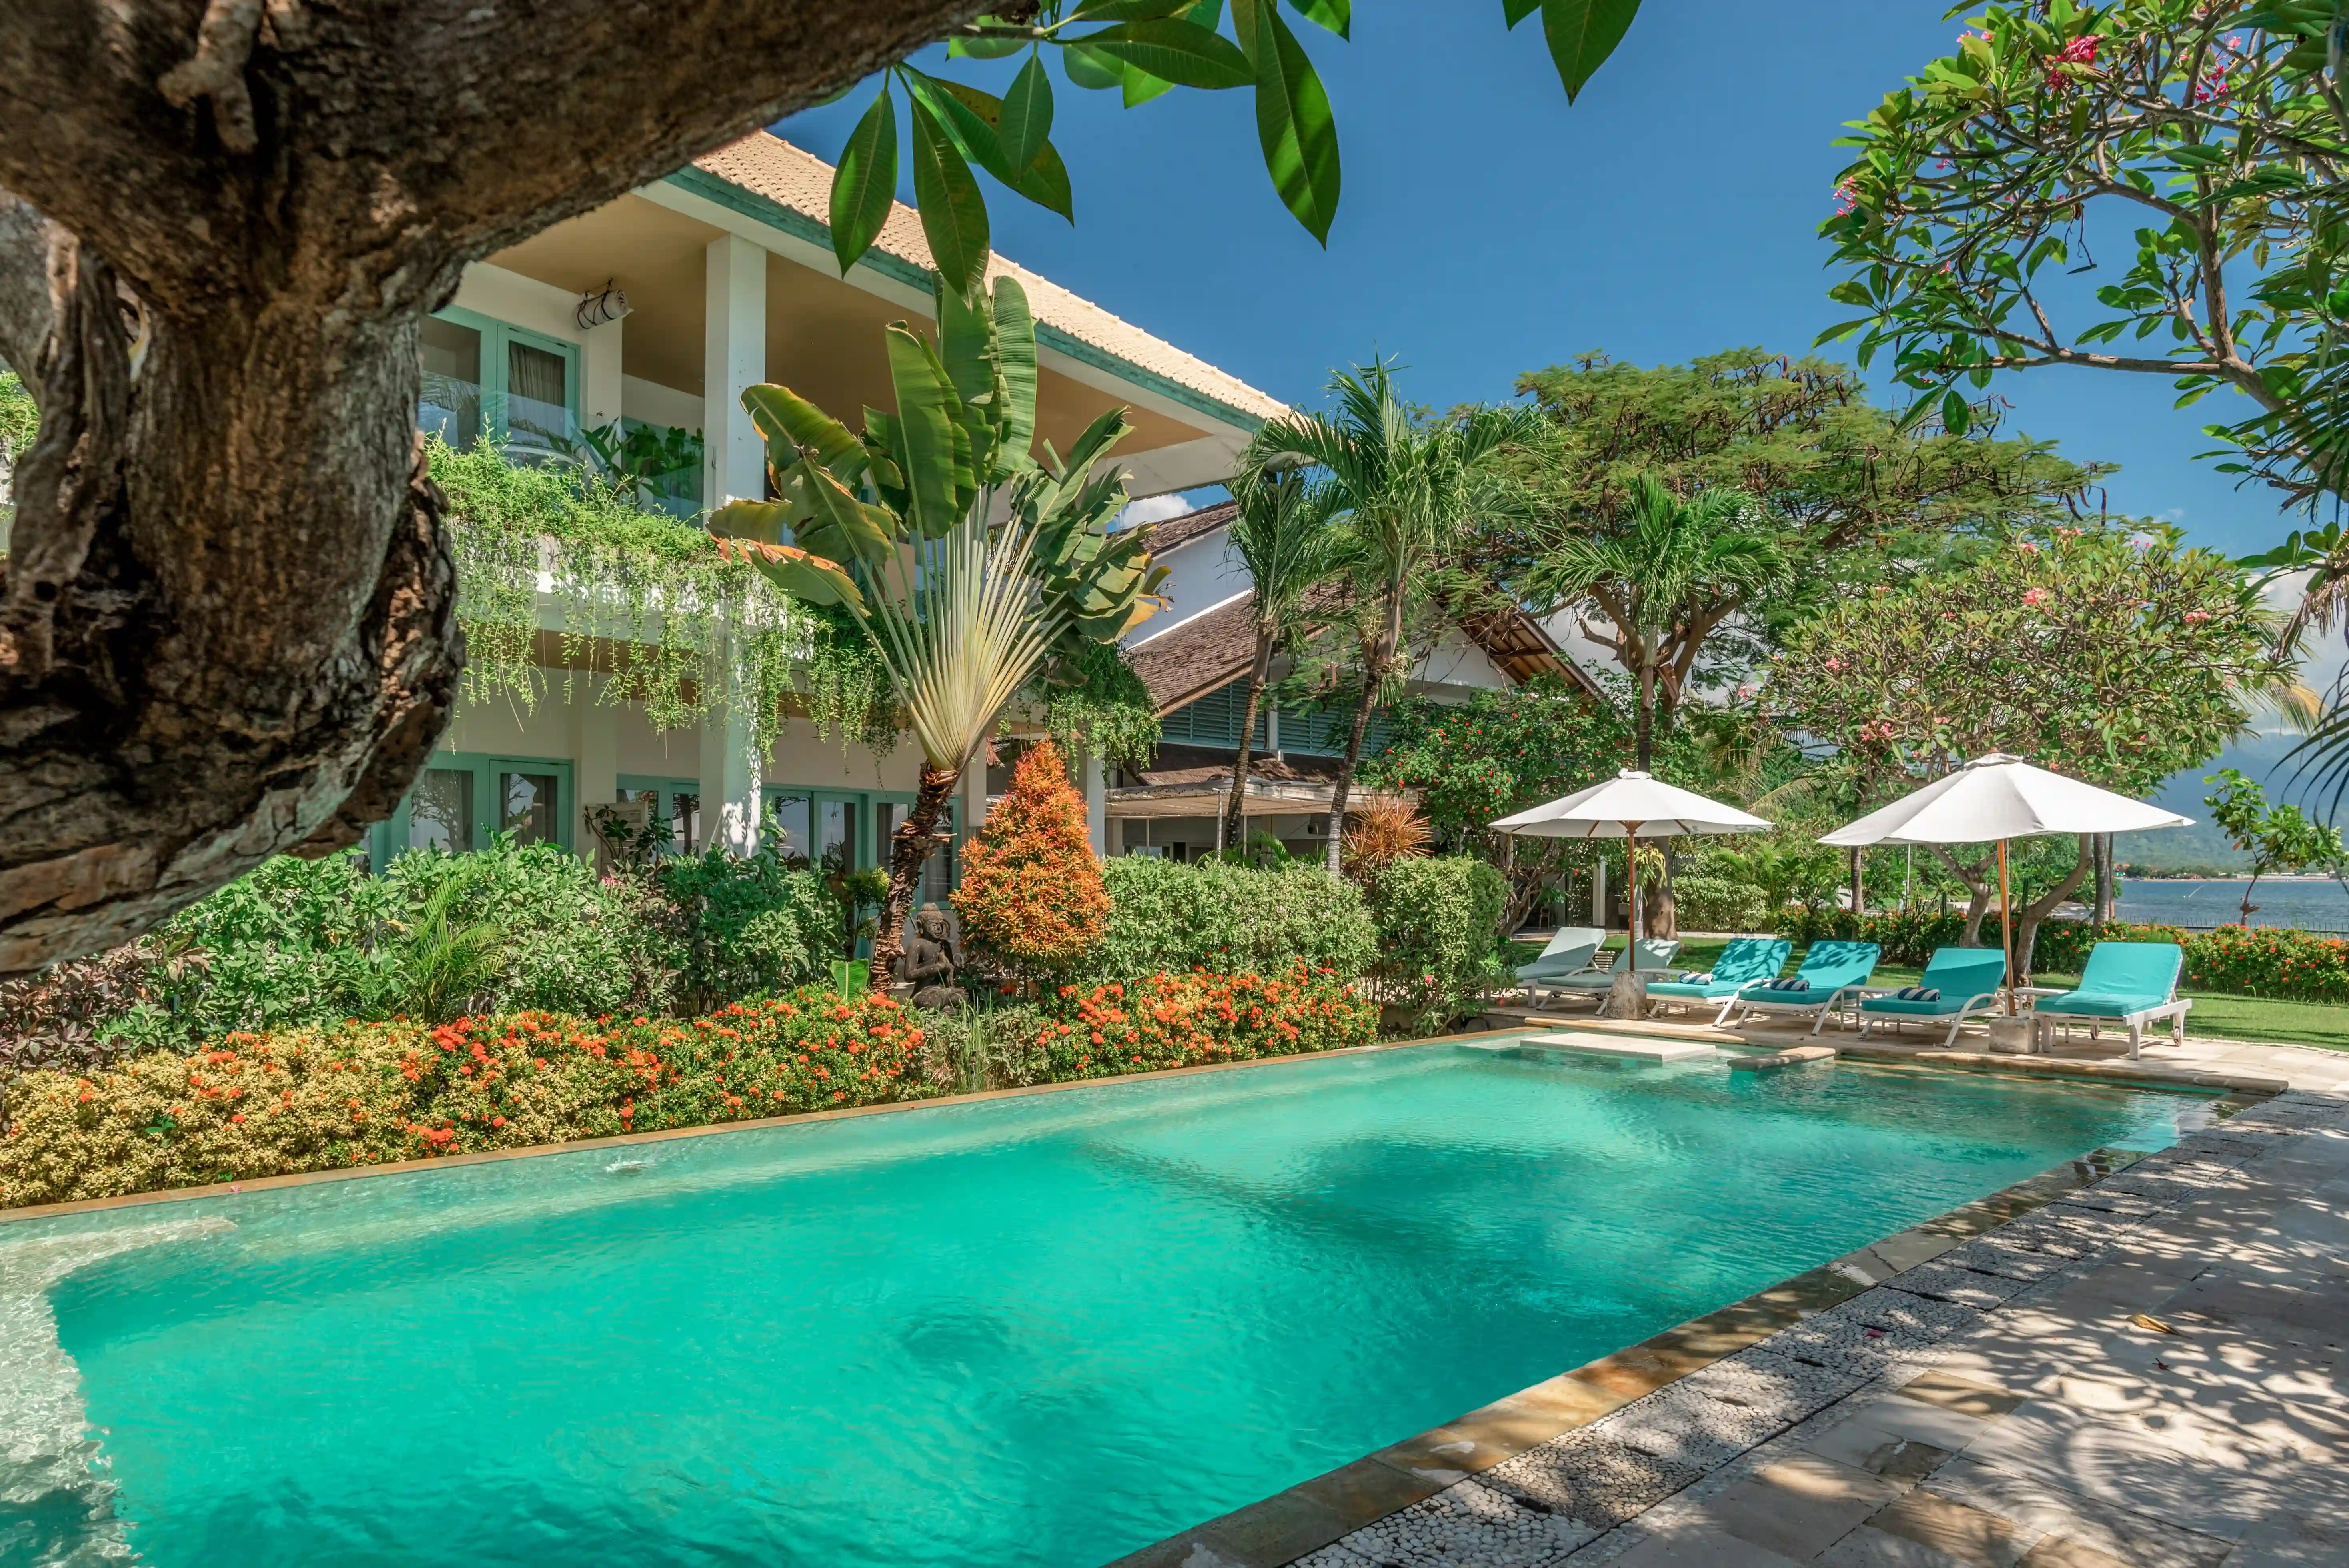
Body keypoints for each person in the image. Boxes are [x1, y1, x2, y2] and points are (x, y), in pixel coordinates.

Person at [901, 905, 966, 1011]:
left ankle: (946, 996)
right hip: (924, 992)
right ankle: (945, 997)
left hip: (942, 990)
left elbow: (951, 976)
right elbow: (909, 975)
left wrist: (949, 967)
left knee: (966, 997)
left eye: (941, 925)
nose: (939, 928)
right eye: (934, 925)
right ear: (921, 926)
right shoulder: (917, 945)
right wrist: (936, 968)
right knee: (930, 1002)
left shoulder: (945, 946)